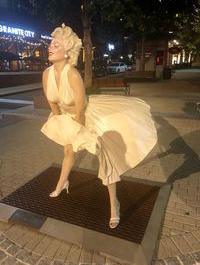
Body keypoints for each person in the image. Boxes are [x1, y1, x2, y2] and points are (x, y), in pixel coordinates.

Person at [41, 23, 157, 229]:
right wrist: (61, 127)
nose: (50, 48)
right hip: (66, 116)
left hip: (86, 116)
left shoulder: (73, 75)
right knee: (68, 151)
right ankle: (62, 183)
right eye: (51, 44)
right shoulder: (46, 74)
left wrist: (79, 132)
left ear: (67, 52)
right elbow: (53, 105)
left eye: (56, 45)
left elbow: (80, 109)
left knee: (105, 159)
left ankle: (114, 203)